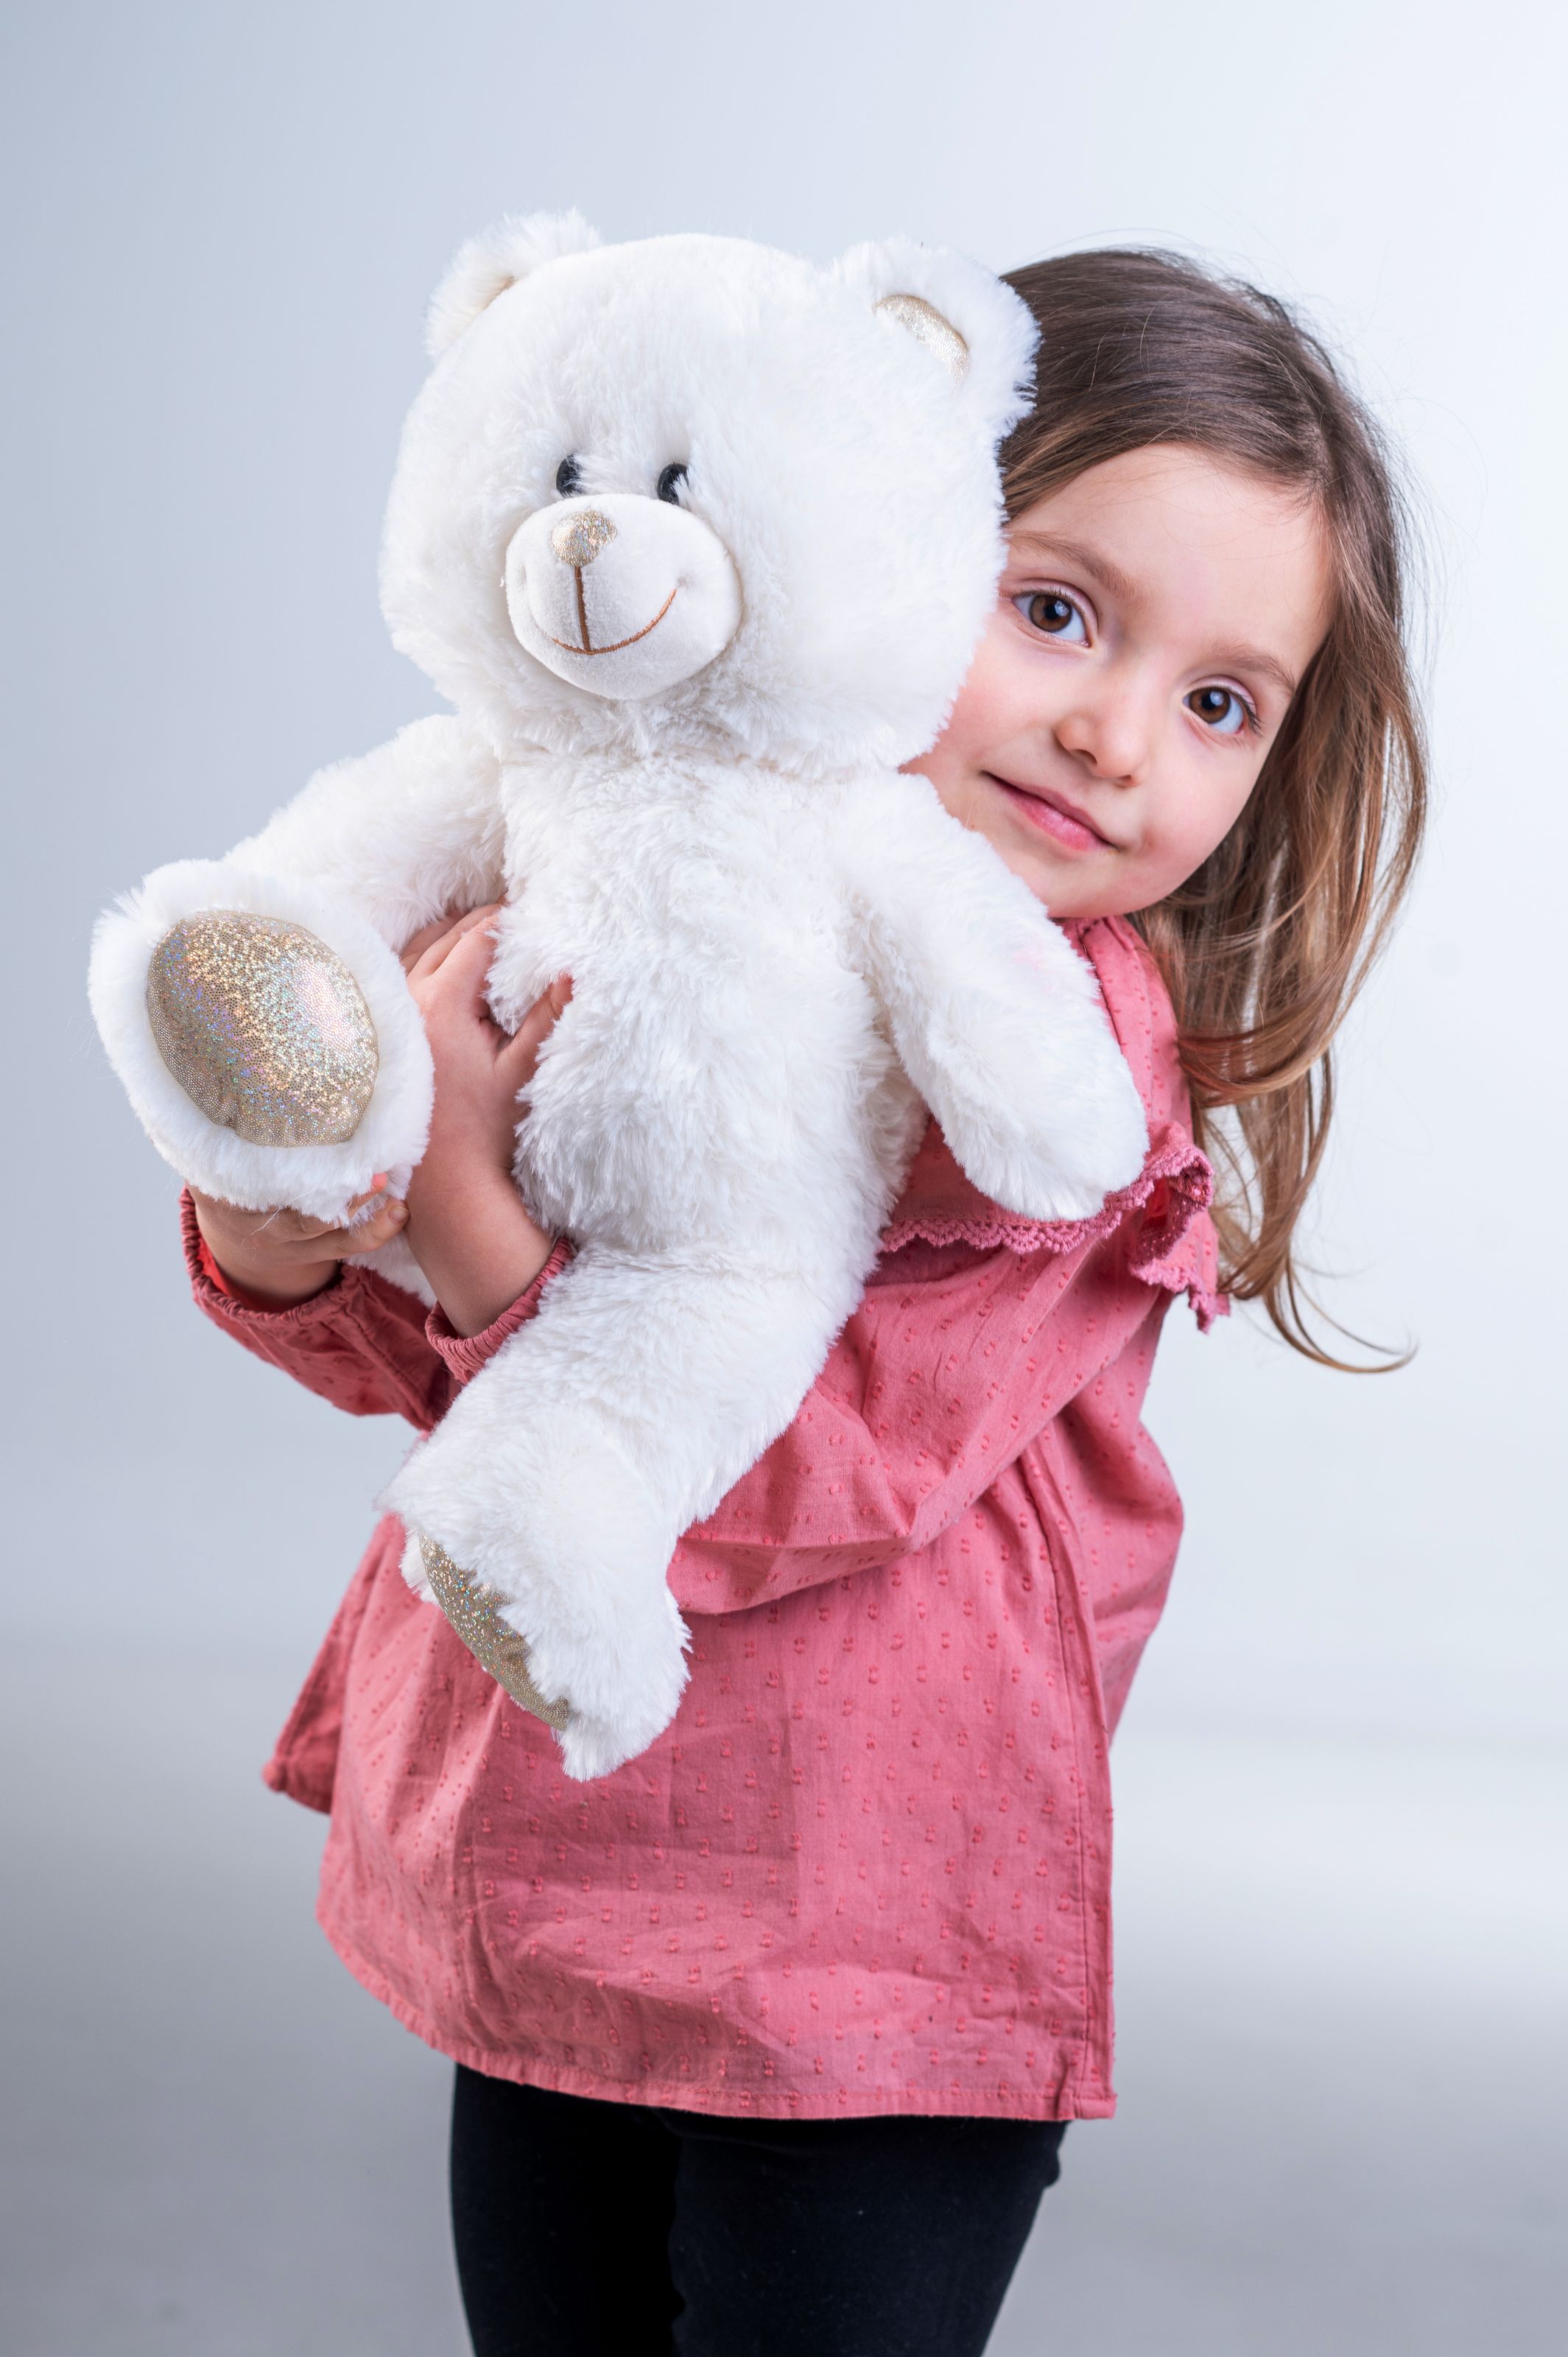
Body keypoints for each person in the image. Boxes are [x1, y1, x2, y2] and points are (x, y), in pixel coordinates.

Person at [185, 250, 1427, 2357]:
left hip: (863, 1951)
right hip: (557, 1862)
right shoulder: (603, 891)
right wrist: (299, 1213)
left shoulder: (1055, 1066)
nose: (1116, 734)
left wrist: (468, 1208)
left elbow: (803, 1481)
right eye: (1057, 611)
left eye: (1221, 701)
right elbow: (435, 1369)